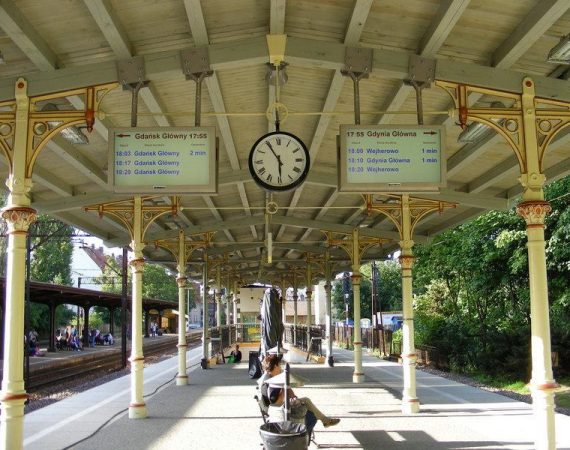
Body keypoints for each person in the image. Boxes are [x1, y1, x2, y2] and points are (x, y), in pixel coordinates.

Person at [261, 354, 340, 428]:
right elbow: (276, 402)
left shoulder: (275, 377)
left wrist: (294, 397)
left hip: (284, 406)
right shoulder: (270, 382)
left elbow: (288, 389)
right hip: (281, 411)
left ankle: (325, 421)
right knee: (311, 415)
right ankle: (325, 421)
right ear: (275, 366)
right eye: (279, 365)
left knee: (306, 401)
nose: (281, 367)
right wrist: (285, 388)